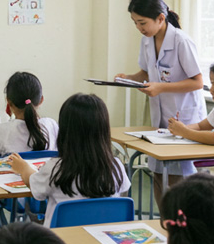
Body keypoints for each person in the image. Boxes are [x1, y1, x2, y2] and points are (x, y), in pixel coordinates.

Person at [114, 0, 206, 199]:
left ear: (160, 18)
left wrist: (160, 87)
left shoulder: (181, 41)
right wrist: (127, 78)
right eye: (135, 22)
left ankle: (180, 227)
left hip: (185, 119)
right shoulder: (147, 40)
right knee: (158, 174)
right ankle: (165, 224)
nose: (139, 28)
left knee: (178, 181)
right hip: (161, 121)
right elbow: (146, 72)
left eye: (142, 22)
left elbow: (198, 82)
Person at [9, 93, 130, 223]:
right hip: (102, 239)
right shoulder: (116, 167)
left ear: (65, 131)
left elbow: (33, 183)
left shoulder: (56, 168)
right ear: (104, 131)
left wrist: (23, 168)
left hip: (61, 241)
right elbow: (121, 197)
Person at [0, 71, 57, 157]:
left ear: (8, 101)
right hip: (46, 170)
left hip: (13, 171)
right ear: (41, 100)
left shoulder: (4, 131)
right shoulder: (51, 125)